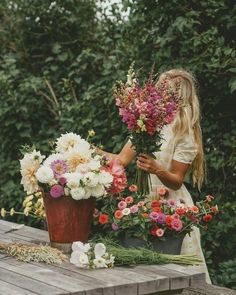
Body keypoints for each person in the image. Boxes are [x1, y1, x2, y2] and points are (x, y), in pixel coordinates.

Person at [101, 69, 211, 283]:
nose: (158, 93)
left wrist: (157, 169)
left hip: (172, 207)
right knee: (143, 272)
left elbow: (177, 180)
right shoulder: (147, 122)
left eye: (166, 88)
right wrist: (88, 150)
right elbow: (121, 161)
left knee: (176, 274)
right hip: (143, 204)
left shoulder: (184, 131)